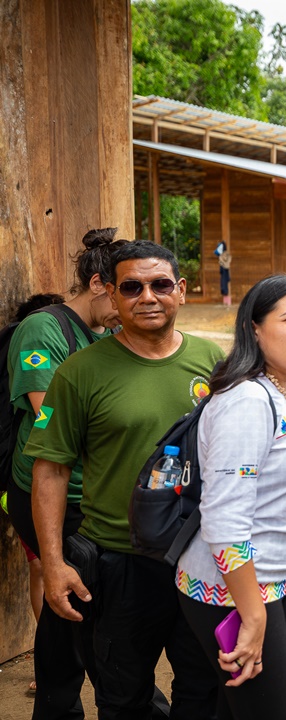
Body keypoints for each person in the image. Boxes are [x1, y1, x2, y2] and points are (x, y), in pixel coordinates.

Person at [25, 240, 223, 720]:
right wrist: (53, 564)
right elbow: (50, 469)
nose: (147, 297)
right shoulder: (79, 372)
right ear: (111, 296)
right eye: (131, 287)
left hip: (200, 559)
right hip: (119, 564)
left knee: (206, 690)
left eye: (159, 285)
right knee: (124, 697)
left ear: (179, 290)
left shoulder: (212, 361)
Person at [176, 275, 286, 720]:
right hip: (232, 592)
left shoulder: (280, 388)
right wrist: (253, 615)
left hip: (273, 580)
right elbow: (223, 521)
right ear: (254, 329)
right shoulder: (246, 400)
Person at [6, 229, 122, 720]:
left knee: (75, 610)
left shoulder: (110, 333)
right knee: (79, 600)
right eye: (126, 291)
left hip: (97, 492)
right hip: (48, 490)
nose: (137, 304)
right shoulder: (42, 330)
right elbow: (46, 413)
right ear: (99, 284)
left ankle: (65, 704)